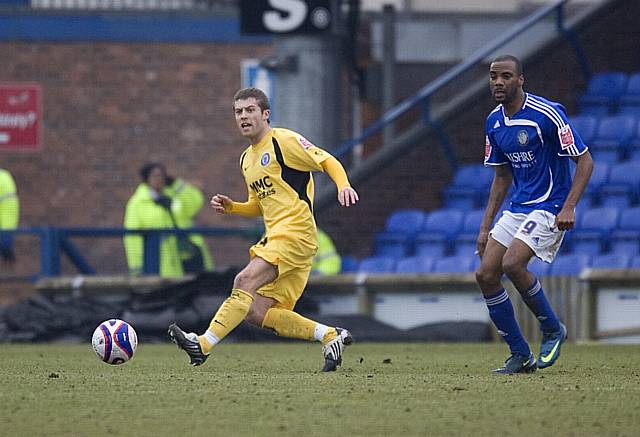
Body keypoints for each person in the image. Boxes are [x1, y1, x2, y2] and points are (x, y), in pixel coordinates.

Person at [168, 87, 360, 372]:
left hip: (295, 233)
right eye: (238, 112)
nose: (243, 116)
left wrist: (343, 184)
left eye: (249, 110)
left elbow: (327, 160)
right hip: (279, 238)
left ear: (265, 114)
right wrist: (233, 207)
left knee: (243, 281)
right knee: (257, 312)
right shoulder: (246, 159)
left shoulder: (284, 141)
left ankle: (203, 344)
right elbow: (259, 204)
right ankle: (329, 336)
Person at [476, 55, 593, 374]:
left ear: (520, 80)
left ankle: (553, 328)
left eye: (506, 76)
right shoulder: (494, 122)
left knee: (512, 263)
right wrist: (485, 228)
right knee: (486, 274)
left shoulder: (548, 114)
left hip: (550, 204)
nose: (498, 82)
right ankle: (519, 354)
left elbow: (584, 161)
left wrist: (569, 206)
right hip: (519, 205)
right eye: (493, 76)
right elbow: (501, 177)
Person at [123, 163, 183, 278]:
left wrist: (177, 184)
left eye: (162, 176)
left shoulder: (169, 199)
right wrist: (136, 266)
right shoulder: (137, 203)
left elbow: (195, 202)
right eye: (155, 176)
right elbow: (132, 237)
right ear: (147, 179)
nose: (159, 179)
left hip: (174, 264)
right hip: (151, 264)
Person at [165, 175, 214, 273]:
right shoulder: (147, 200)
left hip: (190, 248)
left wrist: (177, 184)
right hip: (169, 252)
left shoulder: (175, 195)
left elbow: (196, 201)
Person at [0, 168, 19, 265]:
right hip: (10, 210)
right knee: (5, 241)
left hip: (7, 210)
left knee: (4, 242)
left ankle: (8, 258)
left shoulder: (3, 176)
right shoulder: (5, 174)